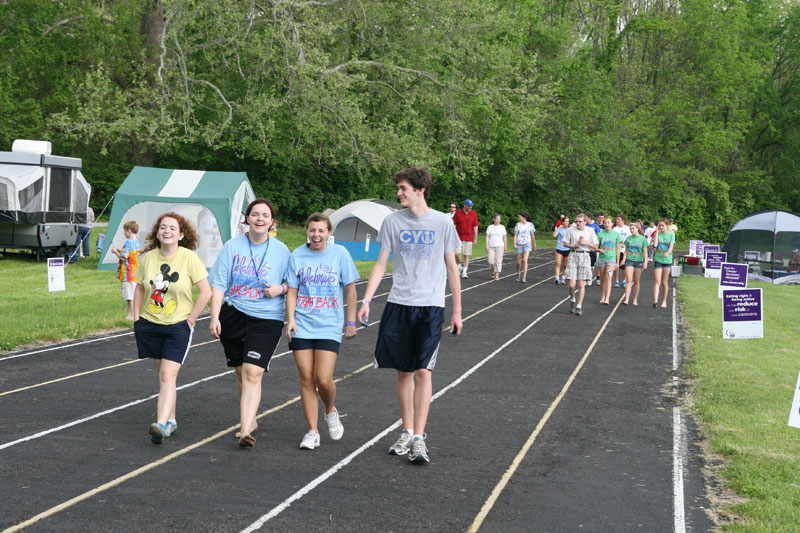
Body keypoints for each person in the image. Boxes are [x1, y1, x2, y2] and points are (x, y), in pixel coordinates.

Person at [357, 166, 462, 465]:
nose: (398, 193)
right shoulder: (392, 222)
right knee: (403, 371)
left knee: (422, 371)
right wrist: (366, 300)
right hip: (398, 304)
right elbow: (380, 265)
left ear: (420, 189)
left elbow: (452, 268)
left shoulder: (442, 222)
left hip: (430, 306)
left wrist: (456, 311)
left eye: (403, 188)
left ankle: (419, 438)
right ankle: (406, 430)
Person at [208, 198, 290, 448]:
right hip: (233, 314)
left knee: (253, 371)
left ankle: (245, 429)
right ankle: (250, 419)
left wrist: (280, 289)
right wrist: (213, 317)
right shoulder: (233, 247)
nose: (260, 219)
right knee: (240, 371)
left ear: (272, 221)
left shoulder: (282, 251)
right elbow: (219, 284)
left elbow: (293, 285)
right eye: (255, 214)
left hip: (267, 317)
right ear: (247, 218)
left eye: (265, 215)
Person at [133, 212, 211, 445]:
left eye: (172, 228)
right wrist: (137, 318)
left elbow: (205, 292)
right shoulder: (148, 258)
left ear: (181, 234)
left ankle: (160, 423)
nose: (167, 231)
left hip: (178, 325)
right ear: (157, 232)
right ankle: (171, 420)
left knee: (168, 375)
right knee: (165, 376)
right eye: (163, 227)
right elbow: (138, 288)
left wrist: (191, 320)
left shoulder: (189, 258)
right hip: (150, 324)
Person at [286, 213, 359, 450]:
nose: (316, 235)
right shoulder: (297, 255)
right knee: (306, 378)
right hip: (302, 324)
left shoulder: (340, 254)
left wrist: (350, 322)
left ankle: (330, 410)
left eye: (321, 231)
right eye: (312, 230)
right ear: (307, 231)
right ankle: (312, 431)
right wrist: (290, 320)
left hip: (328, 324)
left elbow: (350, 289)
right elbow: (292, 292)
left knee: (323, 379)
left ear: (329, 233)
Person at [562, 214, 598, 316]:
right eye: (577, 221)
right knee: (572, 284)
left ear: (585, 222)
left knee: (581, 284)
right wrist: (573, 245)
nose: (578, 223)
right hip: (573, 255)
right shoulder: (571, 230)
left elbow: (596, 245)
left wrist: (587, 243)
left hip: (585, 256)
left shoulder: (590, 231)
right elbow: (564, 243)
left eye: (580, 221)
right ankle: (572, 299)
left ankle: (579, 306)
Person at [111, 221, 140, 320]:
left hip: (127, 273)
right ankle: (131, 314)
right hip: (134, 272)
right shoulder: (137, 242)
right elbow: (130, 255)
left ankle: (130, 315)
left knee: (129, 296)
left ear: (129, 230)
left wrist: (115, 252)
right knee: (132, 294)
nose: (124, 233)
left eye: (125, 231)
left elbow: (123, 258)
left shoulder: (128, 242)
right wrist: (120, 251)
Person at [622, 223, 649, 305]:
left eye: (633, 228)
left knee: (636, 281)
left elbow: (645, 251)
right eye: (630, 229)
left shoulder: (643, 239)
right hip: (629, 260)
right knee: (628, 280)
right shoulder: (628, 239)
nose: (631, 230)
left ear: (637, 228)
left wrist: (645, 261)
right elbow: (626, 250)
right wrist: (623, 259)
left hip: (639, 261)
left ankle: (635, 299)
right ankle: (626, 299)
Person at [596, 217, 620, 305]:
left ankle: (607, 298)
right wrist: (599, 250)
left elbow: (618, 249)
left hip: (611, 259)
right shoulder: (600, 234)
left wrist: (617, 262)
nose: (606, 224)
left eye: (608, 223)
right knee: (602, 279)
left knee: (608, 278)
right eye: (605, 223)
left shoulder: (616, 235)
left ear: (612, 223)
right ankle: (602, 296)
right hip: (602, 259)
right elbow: (596, 247)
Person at [452, 199, 478, 278]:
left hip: (469, 237)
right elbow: (453, 224)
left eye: (471, 206)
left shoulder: (473, 214)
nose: (470, 207)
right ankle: (459, 266)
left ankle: (464, 272)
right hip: (458, 237)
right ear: (464, 205)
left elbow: (475, 226)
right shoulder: (458, 213)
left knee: (467, 255)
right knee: (456, 253)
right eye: (469, 206)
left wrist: (475, 238)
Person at [652, 219, 675, 308]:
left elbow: (671, 246)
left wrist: (668, 252)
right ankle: (655, 300)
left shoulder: (671, 235)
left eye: (662, 225)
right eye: (659, 225)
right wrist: (657, 233)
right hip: (658, 259)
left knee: (664, 281)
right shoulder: (657, 235)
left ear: (667, 226)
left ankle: (664, 301)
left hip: (667, 260)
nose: (661, 227)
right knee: (657, 281)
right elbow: (655, 245)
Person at [514, 212, 536, 283]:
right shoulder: (518, 225)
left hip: (527, 244)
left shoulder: (530, 225)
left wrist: (534, 244)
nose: (518, 218)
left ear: (524, 217)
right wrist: (515, 243)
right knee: (518, 262)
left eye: (519, 217)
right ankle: (518, 273)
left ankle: (524, 277)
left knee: (525, 260)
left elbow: (532, 235)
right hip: (519, 244)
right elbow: (515, 235)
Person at [485, 214, 507, 280]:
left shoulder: (502, 227)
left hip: (500, 245)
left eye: (499, 219)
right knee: (490, 261)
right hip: (491, 246)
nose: (498, 220)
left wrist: (505, 246)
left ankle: (497, 275)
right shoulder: (490, 227)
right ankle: (493, 272)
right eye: (497, 219)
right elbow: (487, 236)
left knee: (498, 261)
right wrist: (486, 245)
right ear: (493, 219)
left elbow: (504, 237)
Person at [612, 215, 631, 288]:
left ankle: (624, 280)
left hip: (625, 250)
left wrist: (625, 242)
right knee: (616, 266)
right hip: (617, 250)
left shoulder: (627, 228)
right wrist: (619, 242)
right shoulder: (615, 229)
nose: (617, 221)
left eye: (618, 219)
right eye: (616, 219)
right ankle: (616, 281)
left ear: (623, 220)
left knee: (625, 266)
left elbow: (630, 238)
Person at [552, 215, 570, 284]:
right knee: (558, 263)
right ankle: (557, 278)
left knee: (565, 265)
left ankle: (563, 277)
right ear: (562, 222)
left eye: (568, 221)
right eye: (565, 221)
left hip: (567, 249)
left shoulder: (570, 229)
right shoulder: (560, 229)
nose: (567, 223)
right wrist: (559, 228)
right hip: (559, 248)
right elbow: (554, 235)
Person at [585, 212, 602, 286]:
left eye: (585, 218)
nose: (584, 220)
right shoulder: (584, 225)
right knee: (586, 264)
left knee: (593, 264)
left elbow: (597, 237)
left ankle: (593, 277)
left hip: (593, 248)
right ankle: (588, 277)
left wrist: (594, 246)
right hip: (585, 247)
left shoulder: (595, 226)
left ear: (589, 218)